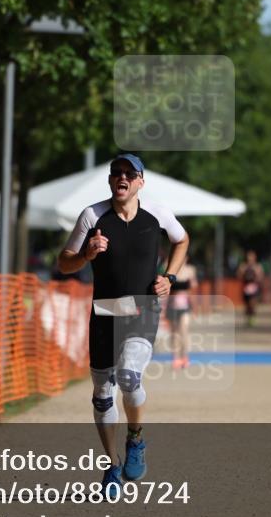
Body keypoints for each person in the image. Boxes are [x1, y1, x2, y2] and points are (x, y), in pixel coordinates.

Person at [57, 153, 189, 495]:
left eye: (129, 173)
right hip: (104, 311)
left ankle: (136, 438)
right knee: (102, 395)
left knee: (130, 376)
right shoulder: (92, 216)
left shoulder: (156, 214)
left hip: (142, 308)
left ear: (141, 181)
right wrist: (85, 255)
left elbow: (182, 239)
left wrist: (170, 277)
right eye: (116, 172)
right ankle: (112, 465)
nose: (122, 178)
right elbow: (64, 263)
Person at [166, 256, 198, 369]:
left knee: (184, 331)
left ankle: (184, 356)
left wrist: (194, 308)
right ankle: (176, 358)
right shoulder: (170, 269)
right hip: (172, 306)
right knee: (174, 334)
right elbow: (166, 290)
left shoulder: (190, 270)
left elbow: (192, 291)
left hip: (185, 306)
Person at [237, 249, 264, 327]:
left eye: (252, 256)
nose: (250, 258)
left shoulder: (258, 266)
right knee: (247, 304)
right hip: (246, 287)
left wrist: (257, 277)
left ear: (254, 257)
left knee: (253, 303)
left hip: (254, 288)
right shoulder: (243, 266)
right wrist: (242, 273)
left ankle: (252, 317)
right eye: (249, 256)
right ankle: (248, 316)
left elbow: (261, 276)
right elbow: (239, 275)